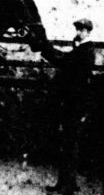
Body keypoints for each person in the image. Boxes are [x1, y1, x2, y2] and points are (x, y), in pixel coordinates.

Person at [43, 18, 96, 195]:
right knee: (67, 144)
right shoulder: (81, 49)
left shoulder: (86, 51)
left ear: (89, 32)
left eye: (82, 30)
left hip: (75, 104)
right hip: (70, 103)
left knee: (70, 145)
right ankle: (65, 183)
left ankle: (68, 186)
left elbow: (65, 62)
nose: (79, 32)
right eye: (77, 29)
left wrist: (45, 49)